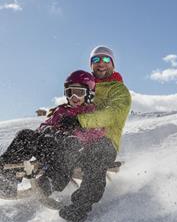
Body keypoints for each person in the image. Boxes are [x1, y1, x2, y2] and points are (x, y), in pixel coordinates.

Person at [0, 70, 104, 207]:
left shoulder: (93, 113)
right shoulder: (61, 111)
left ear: (89, 94)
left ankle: (47, 184)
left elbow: (97, 133)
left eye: (79, 92)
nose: (74, 96)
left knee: (68, 151)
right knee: (26, 135)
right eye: (69, 92)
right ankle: (7, 178)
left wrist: (76, 132)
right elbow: (43, 126)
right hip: (49, 147)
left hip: (71, 153)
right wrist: (47, 130)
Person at [57, 45, 132, 222]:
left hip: (105, 141)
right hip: (77, 139)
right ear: (91, 65)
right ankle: (41, 181)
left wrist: (81, 121)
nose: (101, 63)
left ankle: (80, 206)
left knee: (96, 154)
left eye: (106, 59)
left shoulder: (119, 90)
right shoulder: (84, 87)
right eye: (96, 60)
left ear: (112, 63)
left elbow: (112, 114)